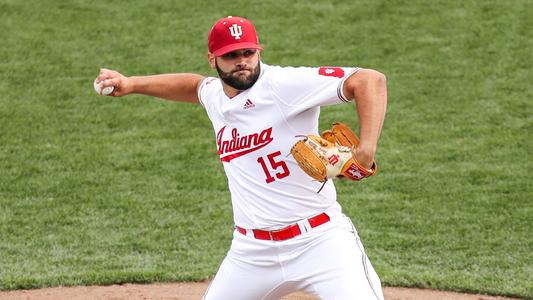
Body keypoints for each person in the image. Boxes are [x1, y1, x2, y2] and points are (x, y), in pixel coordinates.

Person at [95, 16, 387, 300]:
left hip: (321, 241)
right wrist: (131, 83)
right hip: (252, 252)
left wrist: (366, 149)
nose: (242, 61)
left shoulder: (283, 85)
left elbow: (369, 80)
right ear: (213, 59)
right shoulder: (216, 97)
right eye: (231, 55)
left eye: (248, 52)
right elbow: (194, 86)